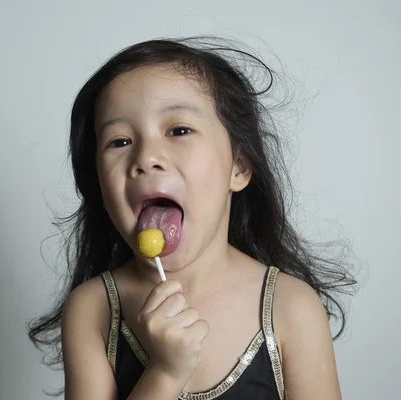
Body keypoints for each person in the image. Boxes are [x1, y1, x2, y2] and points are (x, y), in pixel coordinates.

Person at [29, 36, 356, 399]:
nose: (147, 157)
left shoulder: (292, 306)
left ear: (240, 165)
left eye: (179, 130)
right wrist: (165, 372)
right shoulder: (94, 308)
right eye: (119, 141)